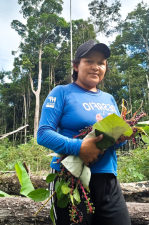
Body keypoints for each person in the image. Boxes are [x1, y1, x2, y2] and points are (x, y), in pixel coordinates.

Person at [38, 40, 131, 224]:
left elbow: (111, 140)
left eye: (101, 63)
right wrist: (79, 147)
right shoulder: (61, 92)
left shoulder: (109, 99)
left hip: (108, 179)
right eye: (89, 61)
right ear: (76, 65)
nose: (96, 67)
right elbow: (43, 133)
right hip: (70, 180)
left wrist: (122, 138)